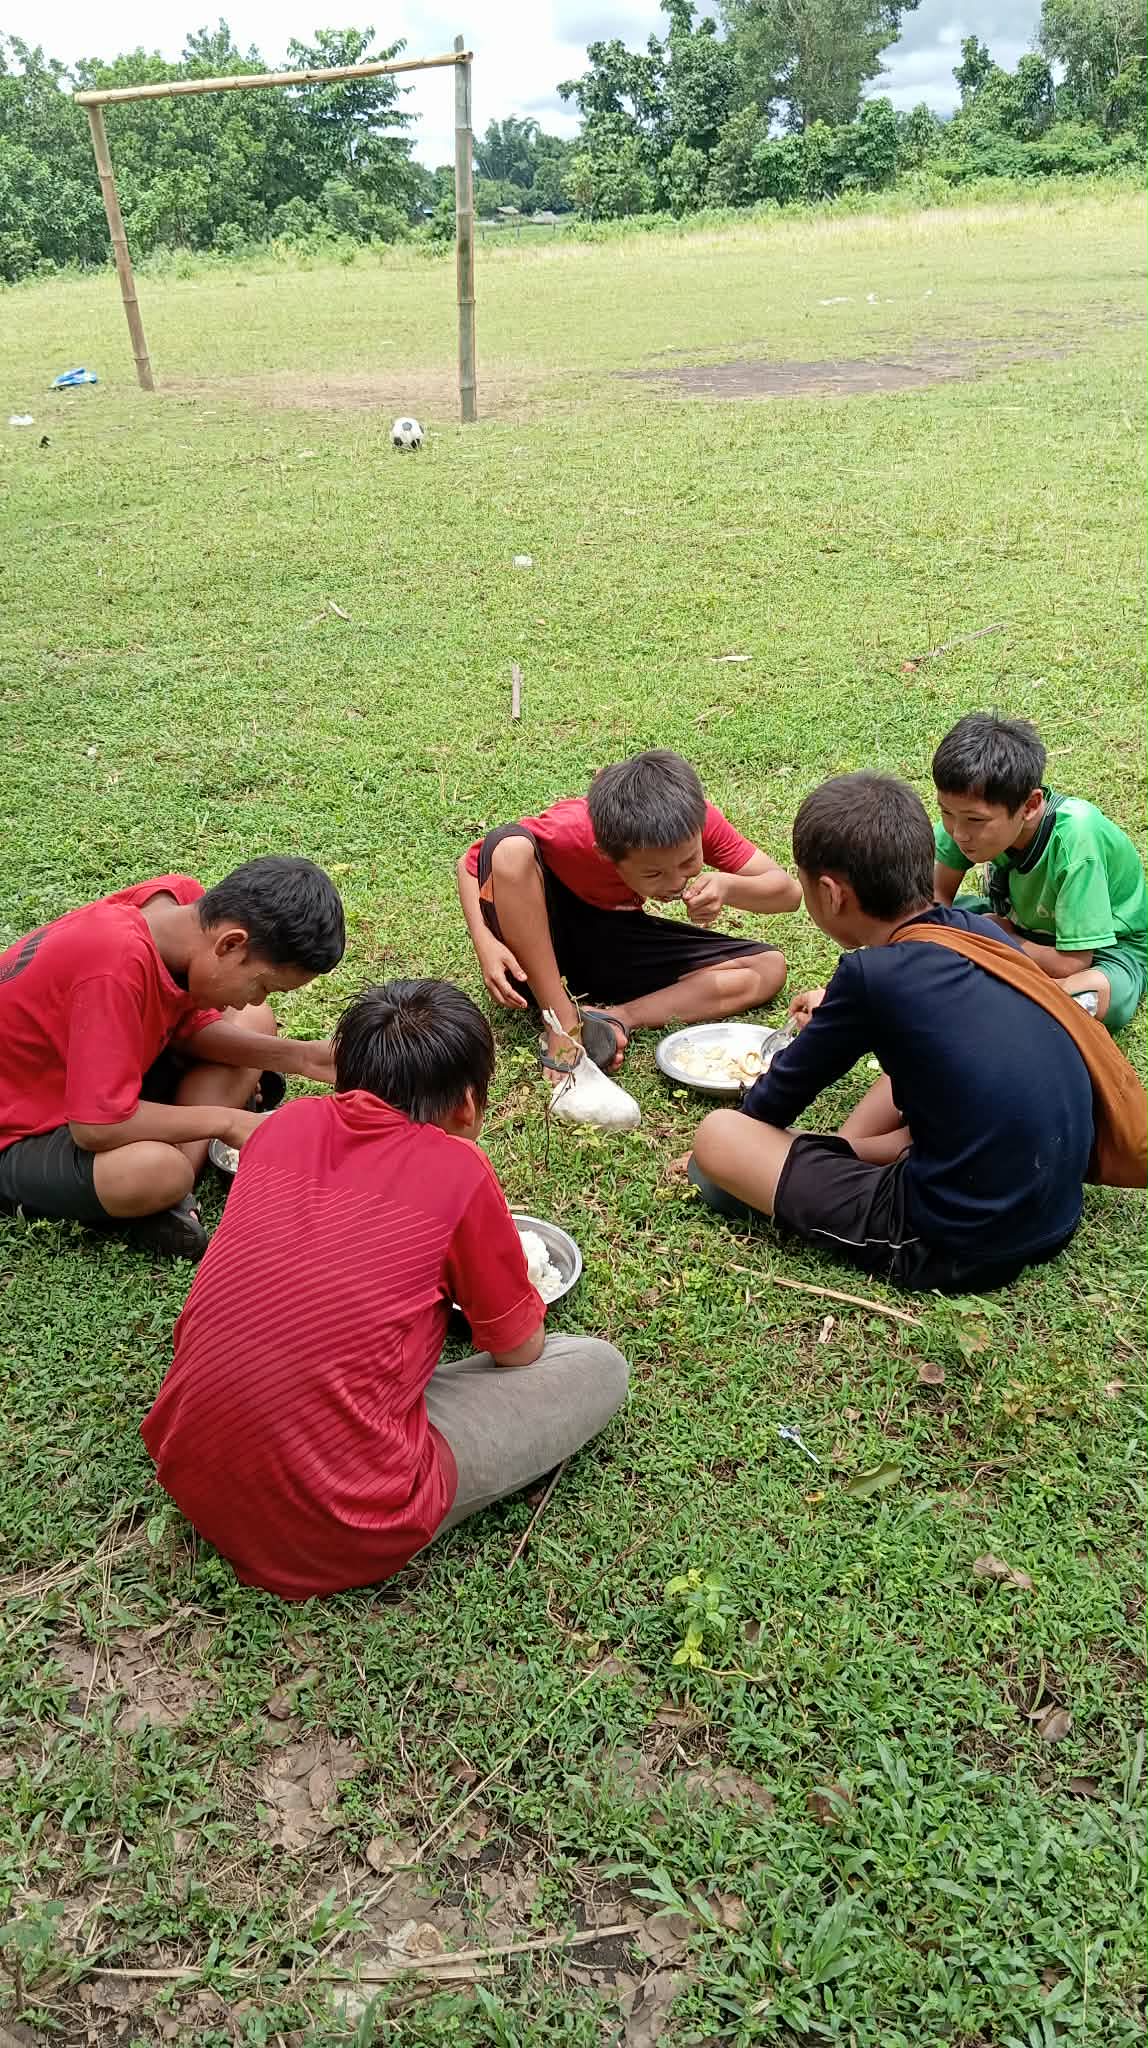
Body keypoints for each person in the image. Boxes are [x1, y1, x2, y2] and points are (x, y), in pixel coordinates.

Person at [141, 979, 629, 1600]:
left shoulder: (279, 1128)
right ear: (468, 1108)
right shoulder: (458, 1169)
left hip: (191, 1469)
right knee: (597, 1364)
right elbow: (520, 1351)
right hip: (340, 1523)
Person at [689, 774, 1094, 1294]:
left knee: (719, 1137)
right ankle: (853, 1148)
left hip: (957, 1243)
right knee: (926, 1067)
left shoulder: (868, 977)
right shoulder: (982, 933)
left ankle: (836, 1156)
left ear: (831, 894)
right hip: (1053, 1210)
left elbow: (776, 1097)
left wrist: (722, 1155)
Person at [0, 859, 345, 1260]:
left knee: (254, 1021)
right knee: (158, 1170)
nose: (255, 996)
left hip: (96, 1068)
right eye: (262, 984)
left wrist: (303, 1058)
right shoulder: (114, 965)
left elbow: (182, 1026)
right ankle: (164, 1190)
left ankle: (174, 1196)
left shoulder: (180, 903)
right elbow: (95, 1128)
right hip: (21, 1130)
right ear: (230, 944)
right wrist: (230, 1122)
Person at [456, 749, 801, 1127]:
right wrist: (485, 943)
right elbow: (471, 864)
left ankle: (616, 1018)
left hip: (612, 938)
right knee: (510, 849)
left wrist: (727, 885)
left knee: (767, 967)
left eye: (688, 863)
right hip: (538, 940)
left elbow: (787, 893)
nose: (674, 883)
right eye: (652, 875)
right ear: (605, 854)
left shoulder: (693, 818)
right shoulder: (573, 829)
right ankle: (561, 1021)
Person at [932, 712, 1148, 1034]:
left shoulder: (1076, 840)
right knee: (913, 914)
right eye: (946, 813)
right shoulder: (964, 818)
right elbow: (935, 899)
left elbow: (1073, 963)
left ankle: (1006, 993)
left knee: (1093, 997)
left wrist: (998, 936)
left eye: (975, 821)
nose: (959, 832)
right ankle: (1012, 987)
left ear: (1030, 806)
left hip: (1105, 950)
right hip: (1014, 925)